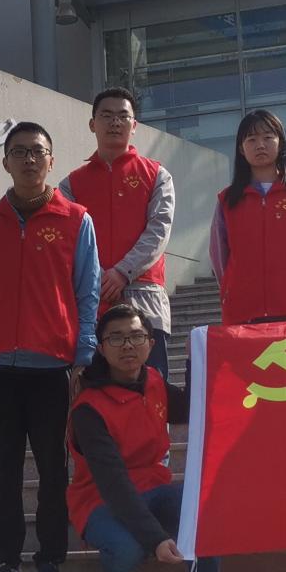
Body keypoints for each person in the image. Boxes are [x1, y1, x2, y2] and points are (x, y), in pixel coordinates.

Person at [0, 122, 101, 572]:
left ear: (51, 160)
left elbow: (88, 292)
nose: (28, 160)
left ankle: (51, 565)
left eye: (37, 151)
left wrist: (83, 357)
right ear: (5, 162)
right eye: (19, 152)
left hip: (53, 368)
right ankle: (7, 566)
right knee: (5, 473)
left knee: (53, 471)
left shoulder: (76, 220)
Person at [69, 304, 232, 572]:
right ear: (101, 348)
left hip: (155, 487)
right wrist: (156, 539)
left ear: (150, 343)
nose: (127, 345)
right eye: (116, 338)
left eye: (136, 336)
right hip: (100, 500)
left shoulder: (154, 381)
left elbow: (190, 408)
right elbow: (114, 486)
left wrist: (195, 360)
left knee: (199, 516)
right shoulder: (88, 408)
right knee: (128, 550)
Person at [61, 88, 176, 381]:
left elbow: (159, 230)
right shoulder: (71, 184)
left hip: (144, 299)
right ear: (92, 124)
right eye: (107, 115)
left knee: (151, 392)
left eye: (123, 116)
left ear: (134, 125)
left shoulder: (157, 175)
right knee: (96, 394)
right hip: (92, 304)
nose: (115, 122)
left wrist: (123, 272)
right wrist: (99, 277)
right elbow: (67, 240)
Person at [208, 109, 286, 326]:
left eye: (267, 137)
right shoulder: (228, 200)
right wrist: (231, 288)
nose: (260, 145)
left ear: (280, 143)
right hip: (244, 311)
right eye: (251, 139)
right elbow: (220, 257)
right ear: (241, 149)